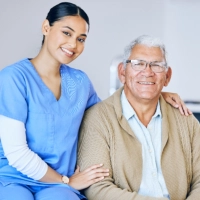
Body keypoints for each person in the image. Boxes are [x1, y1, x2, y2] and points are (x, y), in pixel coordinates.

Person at [0, 2, 190, 200]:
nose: (73, 44)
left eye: (81, 39)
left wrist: (154, 94)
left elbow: (111, 112)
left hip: (58, 187)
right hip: (15, 178)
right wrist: (65, 181)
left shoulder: (80, 82)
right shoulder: (13, 78)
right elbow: (17, 153)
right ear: (46, 27)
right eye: (67, 33)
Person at [78, 35, 200, 200]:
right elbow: (97, 188)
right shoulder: (98, 118)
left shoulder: (185, 119)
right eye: (138, 64)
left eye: (157, 65)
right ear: (122, 72)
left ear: (167, 76)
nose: (147, 72)